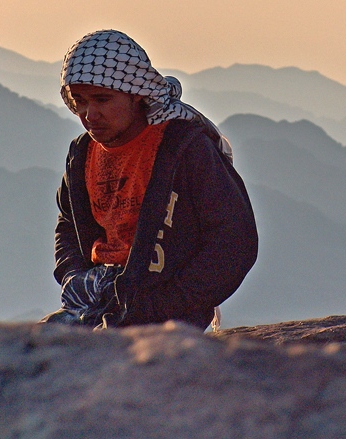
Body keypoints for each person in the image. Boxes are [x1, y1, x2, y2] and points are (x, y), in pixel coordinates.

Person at [40, 29, 258, 331]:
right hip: (95, 302)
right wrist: (73, 277)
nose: (90, 114)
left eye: (102, 99)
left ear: (136, 94)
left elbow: (234, 239)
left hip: (164, 312)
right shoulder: (81, 156)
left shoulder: (181, 149)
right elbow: (68, 225)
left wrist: (170, 301)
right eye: (80, 101)